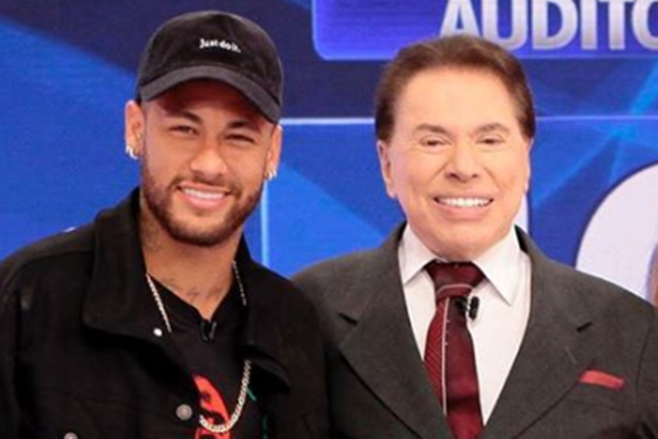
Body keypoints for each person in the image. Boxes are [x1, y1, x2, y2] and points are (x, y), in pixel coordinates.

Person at [293, 34, 658, 438]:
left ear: (526, 156)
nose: (464, 166)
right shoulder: (307, 310)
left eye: (489, 140)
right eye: (433, 141)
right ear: (385, 163)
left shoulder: (630, 330)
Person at [0, 10, 328, 438]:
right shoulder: (34, 295)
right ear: (136, 129)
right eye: (183, 128)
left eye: (239, 135)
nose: (209, 162)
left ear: (272, 153)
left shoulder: (293, 323)